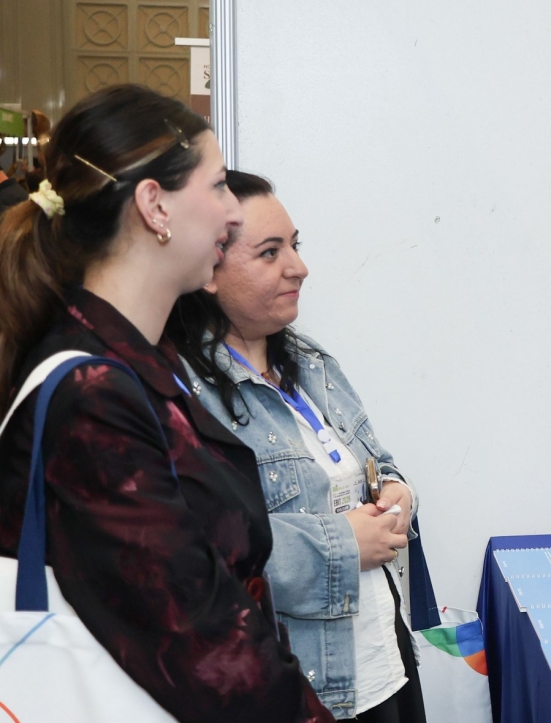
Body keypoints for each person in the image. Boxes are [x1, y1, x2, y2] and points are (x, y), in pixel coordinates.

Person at [0, 85, 335, 722]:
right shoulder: (93, 394)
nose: (232, 212)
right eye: (218, 186)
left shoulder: (139, 363)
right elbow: (202, 641)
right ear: (155, 206)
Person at [167, 171, 430, 723]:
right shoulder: (184, 397)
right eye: (270, 253)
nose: (299, 267)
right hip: (302, 688)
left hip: (383, 660)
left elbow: (376, 464)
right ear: (209, 269)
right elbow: (202, 550)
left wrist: (397, 494)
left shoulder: (311, 363)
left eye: (295, 244)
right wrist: (342, 546)